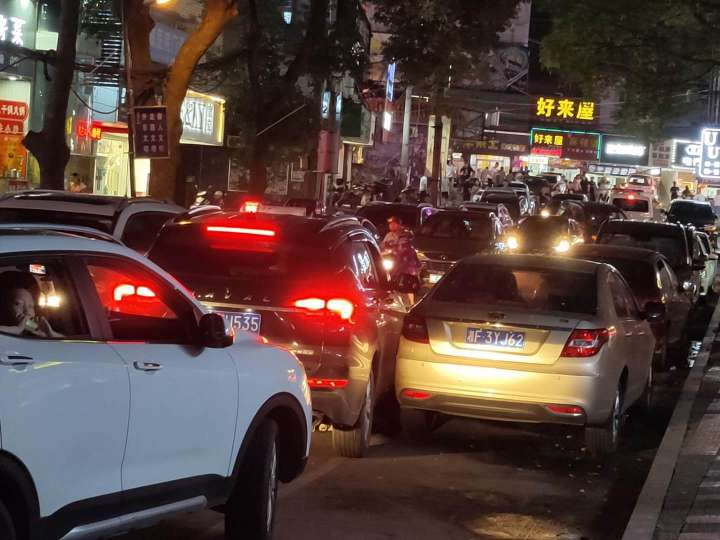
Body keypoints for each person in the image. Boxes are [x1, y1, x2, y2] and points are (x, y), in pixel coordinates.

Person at [0, 272, 62, 338]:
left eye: (30, 306)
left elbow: (64, 340)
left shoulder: (34, 332)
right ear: (4, 307)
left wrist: (49, 333)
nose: (27, 312)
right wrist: (17, 329)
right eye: (18, 304)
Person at [381, 216, 420, 303]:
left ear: (399, 224)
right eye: (390, 224)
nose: (391, 226)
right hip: (393, 262)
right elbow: (383, 246)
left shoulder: (405, 234)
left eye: (393, 224)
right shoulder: (389, 235)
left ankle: (412, 303)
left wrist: (395, 249)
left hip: (406, 264)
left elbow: (404, 247)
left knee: (408, 284)